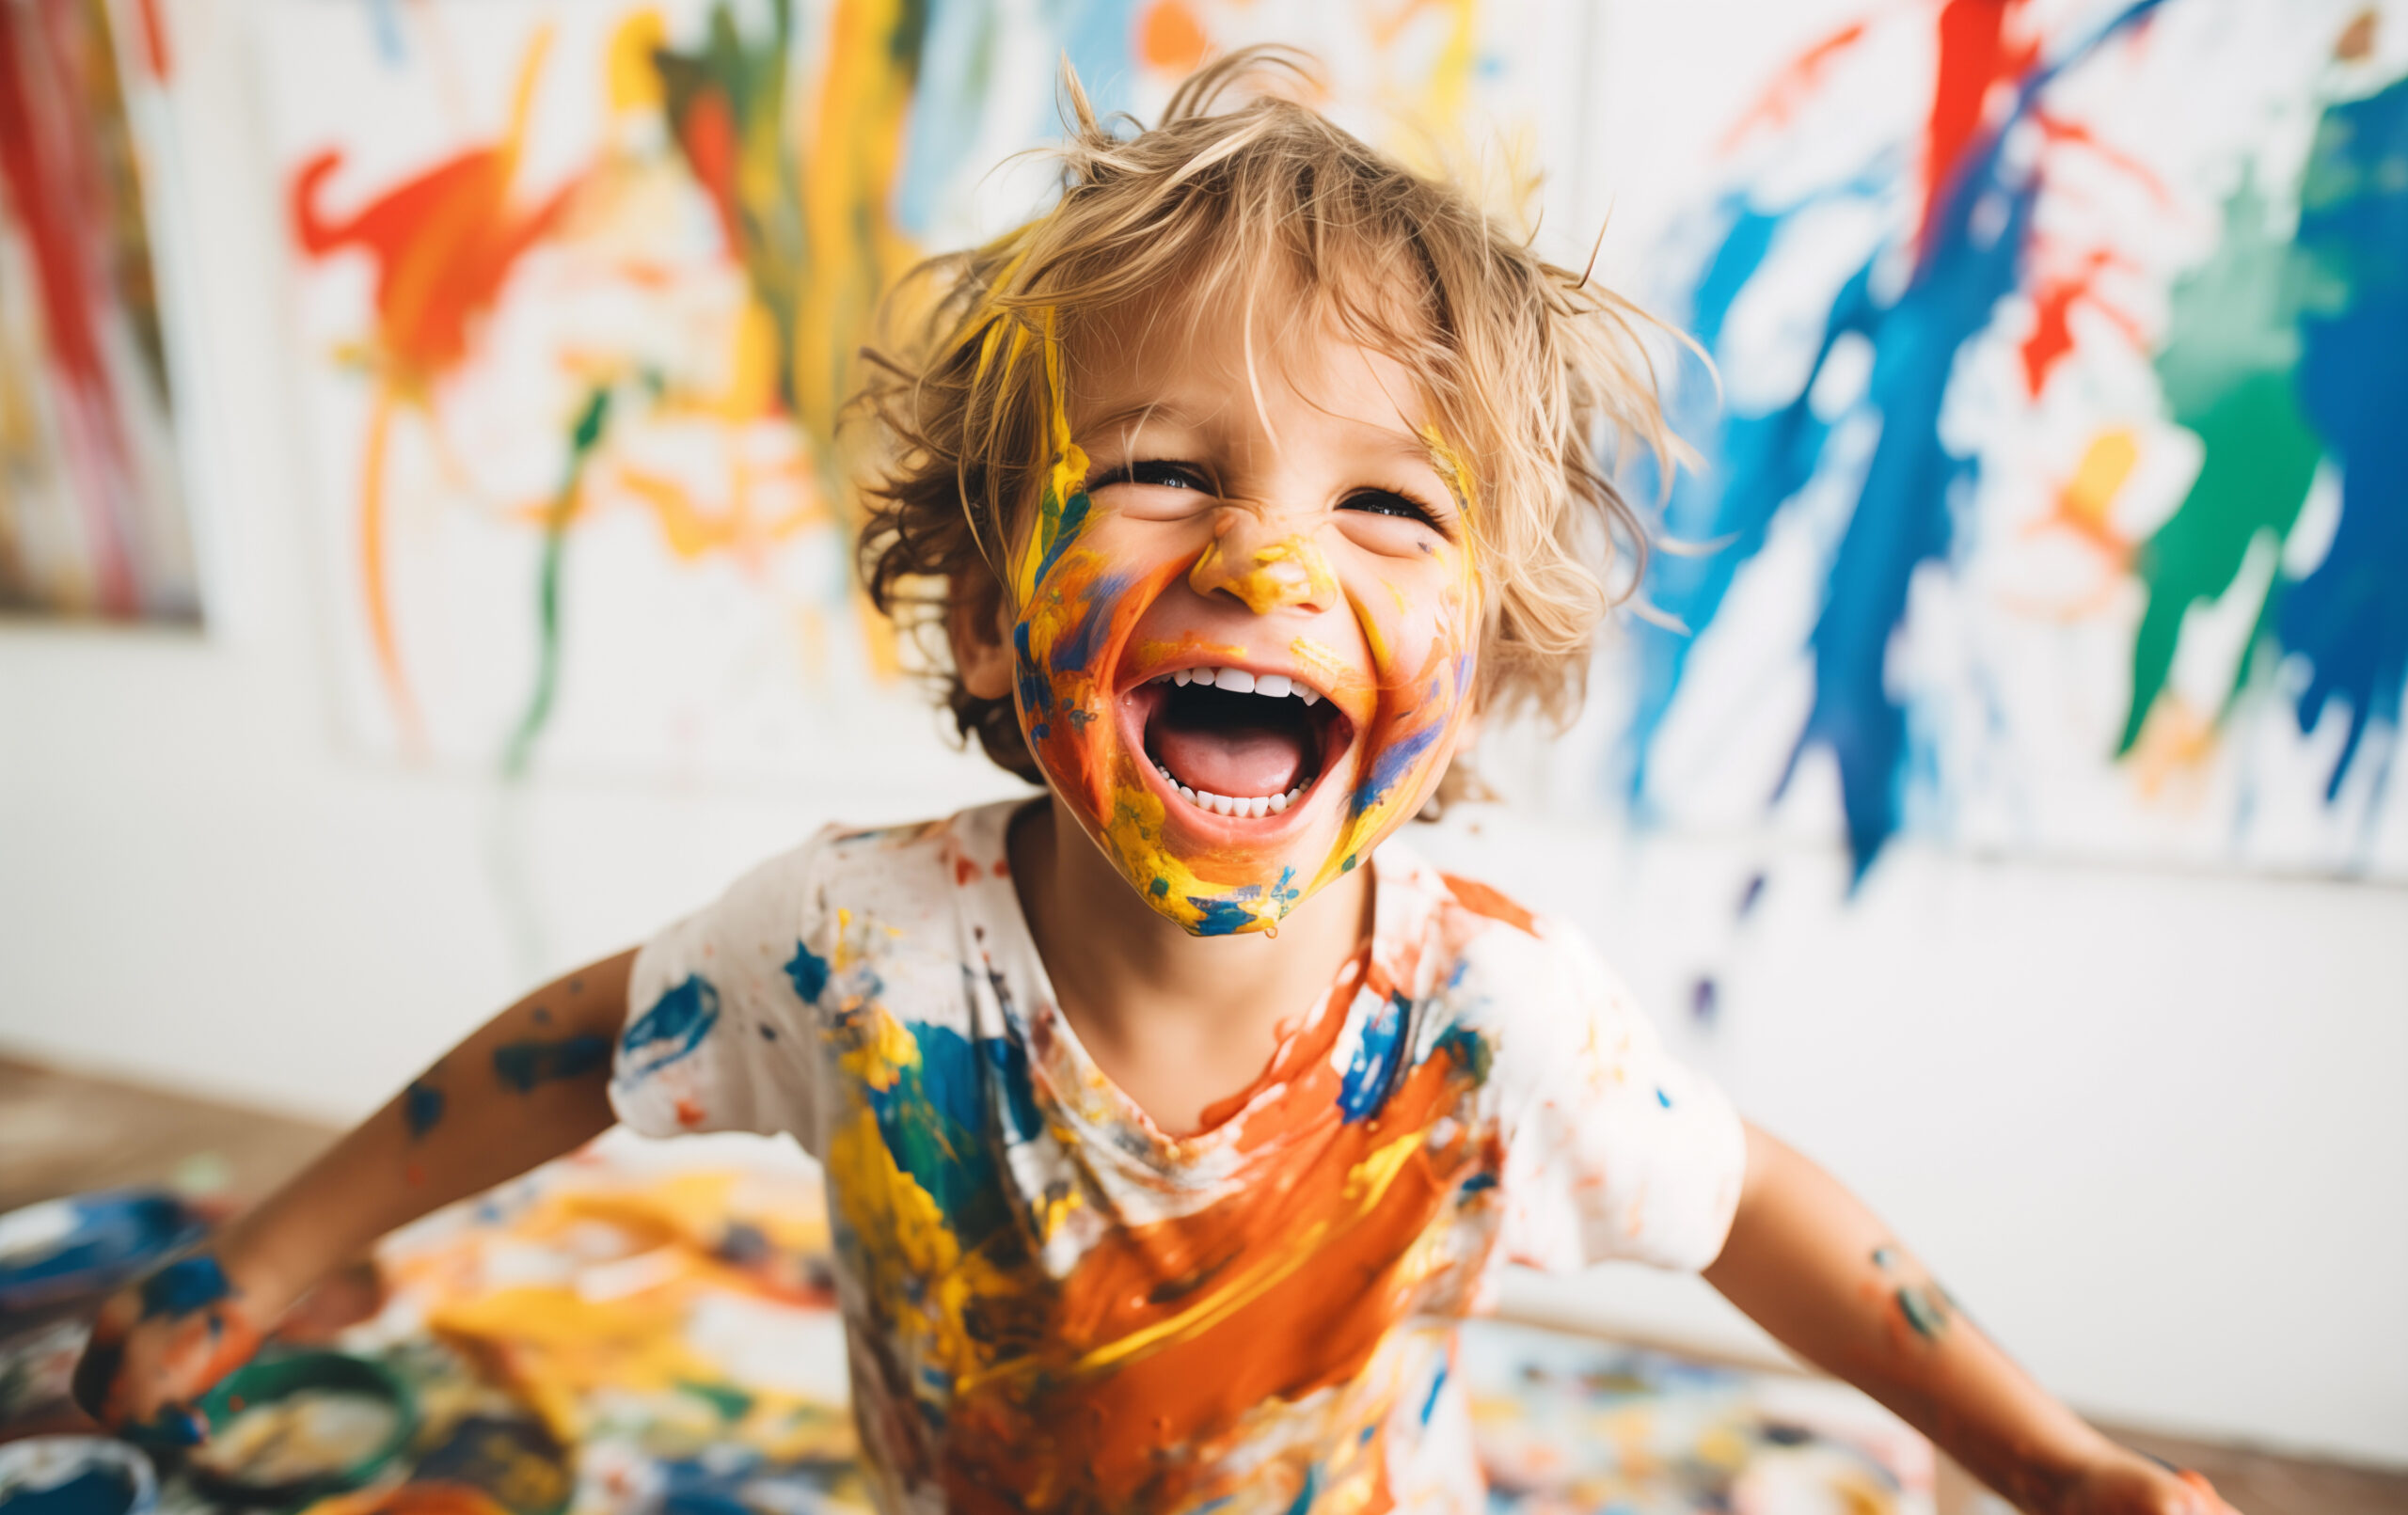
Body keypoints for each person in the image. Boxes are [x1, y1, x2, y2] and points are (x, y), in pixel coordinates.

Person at [76, 50, 2232, 1515]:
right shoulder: (853, 950)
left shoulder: (1482, 1012)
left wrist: (2050, 1460)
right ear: (995, 613)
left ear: (1468, 674)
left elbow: (1750, 1207)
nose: (1264, 557)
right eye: (1161, 469)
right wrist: (256, 1260)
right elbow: (560, 1048)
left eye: (1388, 507)